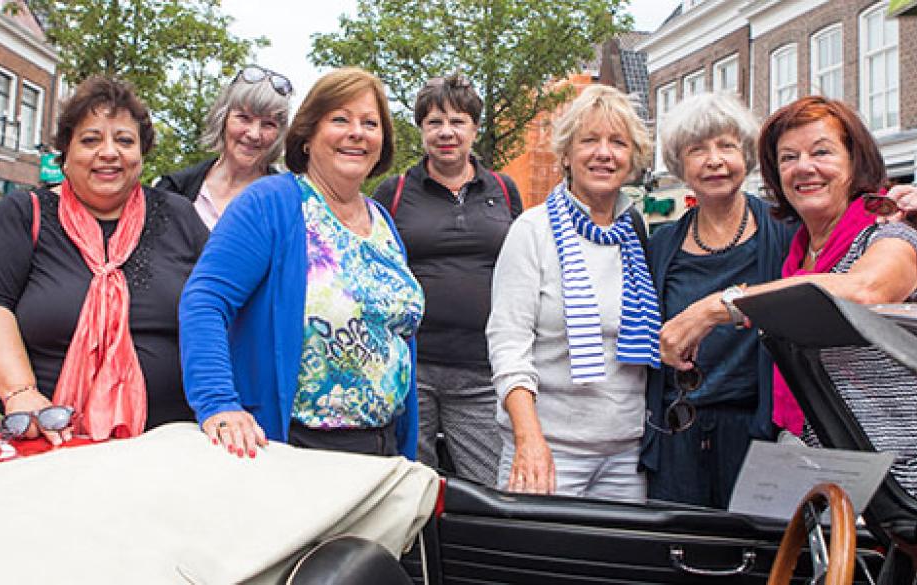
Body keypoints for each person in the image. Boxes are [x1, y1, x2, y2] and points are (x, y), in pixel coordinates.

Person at [661, 96, 917, 503]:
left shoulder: (894, 233)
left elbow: (865, 290)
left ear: (854, 159)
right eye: (789, 157)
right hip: (820, 465)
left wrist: (717, 306)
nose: (804, 167)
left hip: (904, 475)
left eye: (821, 151)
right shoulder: (800, 253)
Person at [180, 67, 424, 460]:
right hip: (298, 448)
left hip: (382, 449)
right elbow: (205, 300)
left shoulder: (382, 221)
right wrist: (218, 404)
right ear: (308, 135)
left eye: (370, 123)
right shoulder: (270, 203)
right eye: (340, 119)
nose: (356, 132)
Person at [0, 76, 208, 445]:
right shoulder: (25, 214)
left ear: (141, 152)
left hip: (165, 447)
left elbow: (221, 305)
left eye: (124, 140)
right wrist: (20, 394)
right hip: (46, 438)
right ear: (67, 150)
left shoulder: (179, 215)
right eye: (91, 140)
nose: (108, 152)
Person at [487, 85, 658, 503]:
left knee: (617, 569)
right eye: (589, 140)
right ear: (565, 154)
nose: (604, 153)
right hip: (549, 450)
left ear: (632, 159)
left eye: (618, 142)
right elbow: (508, 345)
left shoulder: (638, 235)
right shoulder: (532, 231)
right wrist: (530, 441)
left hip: (626, 455)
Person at [640, 93, 796, 509]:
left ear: (745, 155)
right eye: (698, 150)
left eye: (726, 146)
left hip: (757, 431)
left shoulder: (785, 233)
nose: (714, 160)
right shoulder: (661, 246)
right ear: (680, 165)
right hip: (678, 436)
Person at [370, 74, 521, 486]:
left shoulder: (504, 191)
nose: (446, 132)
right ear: (421, 130)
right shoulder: (394, 192)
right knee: (407, 488)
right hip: (411, 370)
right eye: (434, 122)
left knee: (493, 488)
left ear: (474, 128)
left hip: (482, 371)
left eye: (458, 121)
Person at [156, 65, 293, 230]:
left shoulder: (288, 203)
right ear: (222, 118)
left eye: (268, 124)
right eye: (244, 118)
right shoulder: (174, 190)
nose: (254, 134)